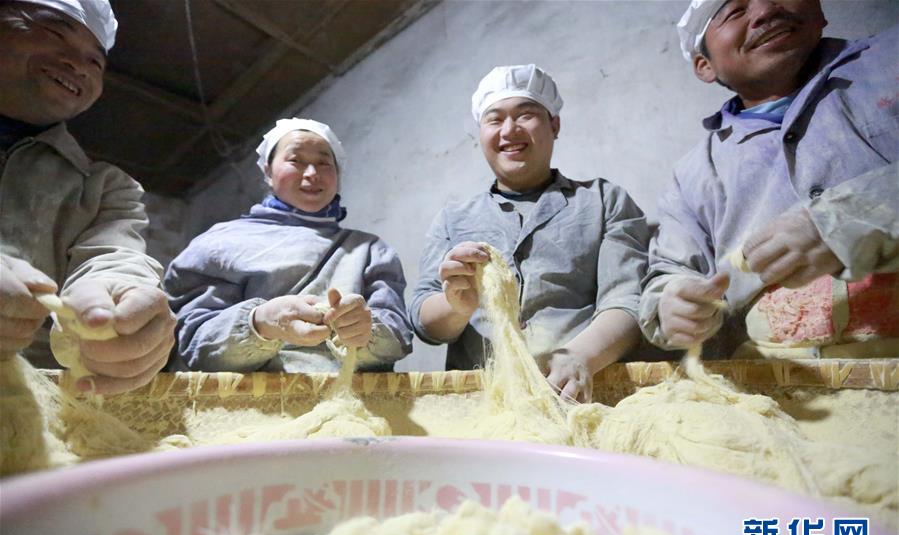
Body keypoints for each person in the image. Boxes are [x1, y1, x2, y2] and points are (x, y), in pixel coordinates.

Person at [640, 0, 898, 358]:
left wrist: (848, 217)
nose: (764, 12)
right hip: (782, 387)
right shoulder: (693, 174)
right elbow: (672, 271)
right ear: (705, 65)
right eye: (735, 12)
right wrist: (670, 304)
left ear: (818, 10)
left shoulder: (891, 61)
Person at [409, 65, 651, 402]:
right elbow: (425, 323)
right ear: (480, 134)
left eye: (526, 115)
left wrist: (580, 356)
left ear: (554, 124)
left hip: (584, 394)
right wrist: (454, 306)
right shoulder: (453, 219)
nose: (509, 130)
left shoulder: (603, 200)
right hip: (482, 403)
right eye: (494, 119)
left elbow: (627, 301)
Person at [0, 0, 175, 394]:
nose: (78, 64)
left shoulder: (105, 187)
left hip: (42, 400)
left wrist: (120, 304)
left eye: (95, 62)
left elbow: (116, 257)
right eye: (54, 32)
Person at [165, 118, 413, 373]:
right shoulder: (217, 243)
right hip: (241, 404)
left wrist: (367, 331)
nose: (311, 174)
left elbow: (397, 336)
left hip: (350, 404)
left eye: (324, 163)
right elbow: (191, 342)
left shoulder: (369, 249)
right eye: (295, 160)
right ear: (268, 171)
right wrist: (260, 323)